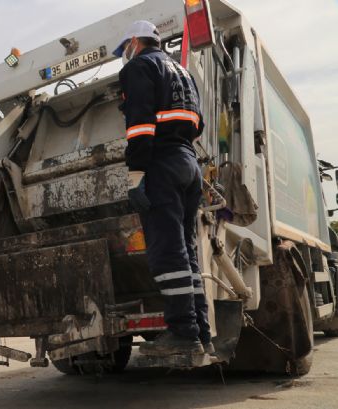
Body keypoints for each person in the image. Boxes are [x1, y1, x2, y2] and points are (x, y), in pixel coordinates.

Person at [113, 20, 212, 356]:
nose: (123, 55)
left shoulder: (140, 67)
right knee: (187, 251)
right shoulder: (182, 71)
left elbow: (140, 126)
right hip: (188, 164)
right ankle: (201, 330)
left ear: (135, 41)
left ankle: (184, 335)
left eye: (124, 48)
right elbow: (199, 123)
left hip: (161, 164)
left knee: (167, 253)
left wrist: (136, 174)